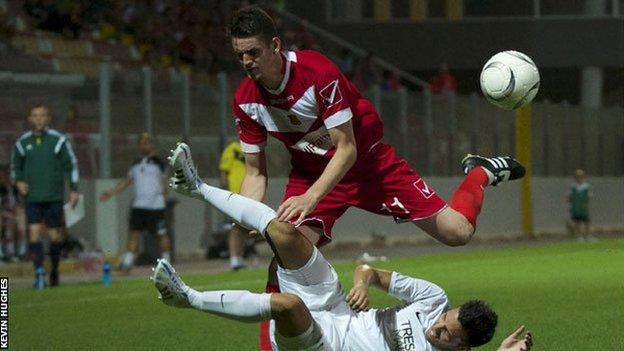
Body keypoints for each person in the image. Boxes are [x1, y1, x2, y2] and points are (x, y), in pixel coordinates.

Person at [227, 7, 526, 349]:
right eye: (240, 55)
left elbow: (347, 149)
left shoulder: (316, 72)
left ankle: (480, 173)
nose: (247, 62)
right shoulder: (246, 101)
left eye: (254, 52)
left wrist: (310, 199)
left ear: (275, 46)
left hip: (370, 167)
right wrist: (246, 211)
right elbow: (254, 172)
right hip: (313, 173)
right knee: (284, 259)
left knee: (457, 232)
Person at [152, 142, 533, 351]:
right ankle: (196, 187)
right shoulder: (433, 300)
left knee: (289, 305)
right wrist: (363, 284)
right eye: (444, 321)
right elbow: (370, 271)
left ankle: (186, 298)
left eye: (448, 336)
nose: (438, 330)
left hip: (327, 345)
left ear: (463, 350)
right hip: (336, 306)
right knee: (285, 232)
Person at [11, 103, 80, 288]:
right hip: (32, 197)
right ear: (30, 119)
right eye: (35, 115)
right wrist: (18, 181)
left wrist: (74, 189)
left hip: (53, 197)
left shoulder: (58, 141)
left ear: (48, 118)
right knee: (33, 234)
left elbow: (71, 165)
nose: (39, 119)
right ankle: (39, 272)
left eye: (43, 115)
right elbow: (15, 166)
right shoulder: (22, 142)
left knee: (55, 237)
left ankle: (54, 271)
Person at [100, 133, 171, 271]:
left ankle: (166, 262)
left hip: (156, 206)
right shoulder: (136, 163)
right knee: (134, 233)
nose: (143, 145)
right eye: (141, 143)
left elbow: (165, 182)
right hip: (139, 206)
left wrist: (165, 199)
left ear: (152, 144)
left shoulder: (160, 162)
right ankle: (127, 263)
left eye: (146, 142)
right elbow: (127, 180)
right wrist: (111, 192)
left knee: (161, 234)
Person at [219, 139, 253, 270]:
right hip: (235, 194)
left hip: (250, 194)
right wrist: (226, 194)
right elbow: (224, 171)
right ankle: (234, 259)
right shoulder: (232, 149)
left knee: (243, 228)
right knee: (235, 228)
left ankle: (239, 258)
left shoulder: (252, 149)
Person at [0, 164, 27, 261]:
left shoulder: (14, 189)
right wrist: (8, 214)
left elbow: (19, 204)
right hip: (4, 214)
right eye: (5, 174)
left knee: (21, 219)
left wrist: (18, 211)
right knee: (7, 222)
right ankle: (5, 253)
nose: (7, 177)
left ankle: (21, 252)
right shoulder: (1, 189)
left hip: (12, 213)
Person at [566, 169, 593, 242]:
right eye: (577, 176)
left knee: (587, 221)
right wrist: (569, 206)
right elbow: (569, 197)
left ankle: (588, 235)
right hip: (575, 207)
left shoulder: (586, 186)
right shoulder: (573, 186)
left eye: (581, 176)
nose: (579, 178)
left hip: (583, 207)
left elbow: (589, 196)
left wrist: (586, 203)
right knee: (577, 222)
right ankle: (579, 236)